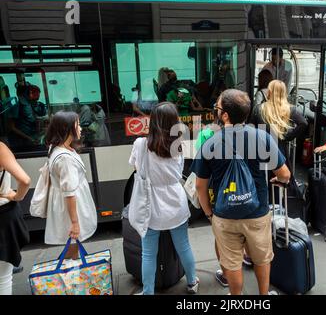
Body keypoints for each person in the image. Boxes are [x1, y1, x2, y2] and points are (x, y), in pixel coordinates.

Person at [191, 89, 291, 295]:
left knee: (232, 263)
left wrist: (210, 213)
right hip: (257, 213)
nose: (216, 111)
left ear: (225, 115)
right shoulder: (262, 137)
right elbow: (285, 174)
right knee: (262, 258)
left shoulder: (210, 143)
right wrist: (279, 181)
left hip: (224, 215)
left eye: (218, 108)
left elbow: (200, 186)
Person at [129, 102, 198, 295]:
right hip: (176, 203)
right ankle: (192, 282)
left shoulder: (140, 145)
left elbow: (136, 168)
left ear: (153, 122)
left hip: (150, 206)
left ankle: (148, 291)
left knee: (148, 253)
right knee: (183, 245)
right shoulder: (178, 146)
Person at [44, 111, 97, 259]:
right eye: (77, 125)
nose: (80, 128)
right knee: (73, 248)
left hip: (68, 207)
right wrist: (75, 222)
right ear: (67, 129)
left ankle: (71, 276)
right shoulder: (64, 159)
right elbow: (69, 192)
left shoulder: (56, 148)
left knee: (74, 248)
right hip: (71, 210)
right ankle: (60, 279)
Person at [250, 79, 308, 171]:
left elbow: (251, 130)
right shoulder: (289, 109)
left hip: (261, 152)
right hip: (279, 152)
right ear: (284, 93)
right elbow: (303, 123)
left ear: (269, 92)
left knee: (264, 180)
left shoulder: (258, 109)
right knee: (281, 180)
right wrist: (288, 135)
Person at [0, 141, 30, 295]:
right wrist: (16, 196)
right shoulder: (0, 148)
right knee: (3, 279)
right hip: (3, 217)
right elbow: (25, 181)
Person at [6, 73, 47, 151]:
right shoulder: (16, 107)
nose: (36, 98)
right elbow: (11, 127)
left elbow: (36, 120)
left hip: (32, 137)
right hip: (20, 142)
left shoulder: (34, 106)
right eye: (33, 93)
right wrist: (29, 138)